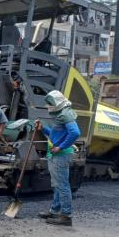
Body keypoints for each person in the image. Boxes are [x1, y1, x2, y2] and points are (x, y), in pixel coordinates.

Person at [35, 90, 80, 226]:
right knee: (57, 185)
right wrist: (43, 129)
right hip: (56, 154)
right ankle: (55, 210)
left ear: (57, 103)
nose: (48, 106)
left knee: (62, 185)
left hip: (61, 155)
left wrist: (60, 147)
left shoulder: (66, 115)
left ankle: (66, 216)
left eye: (50, 103)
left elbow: (75, 133)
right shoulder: (61, 115)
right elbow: (55, 135)